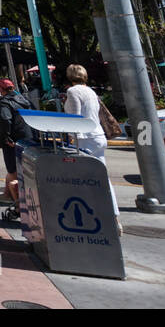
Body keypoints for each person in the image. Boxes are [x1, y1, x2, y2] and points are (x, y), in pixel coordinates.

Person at [62, 63, 119, 216]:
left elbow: (76, 117)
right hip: (98, 136)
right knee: (103, 178)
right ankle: (113, 216)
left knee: (81, 179)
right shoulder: (91, 91)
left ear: (69, 76)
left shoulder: (73, 91)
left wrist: (72, 138)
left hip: (84, 139)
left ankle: (90, 213)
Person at [0, 79, 33, 216]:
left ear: (2, 89)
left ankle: (18, 205)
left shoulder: (4, 102)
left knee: (12, 170)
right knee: (20, 168)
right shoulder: (24, 100)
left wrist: (5, 138)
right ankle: (6, 195)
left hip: (12, 139)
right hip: (27, 137)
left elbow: (5, 120)